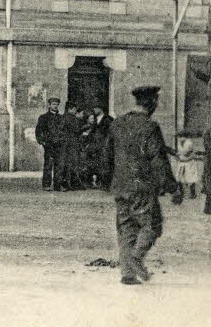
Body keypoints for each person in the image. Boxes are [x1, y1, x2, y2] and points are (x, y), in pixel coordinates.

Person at [107, 85, 182, 285]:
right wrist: (172, 186)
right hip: (142, 186)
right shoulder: (150, 127)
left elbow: (107, 155)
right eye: (156, 101)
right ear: (152, 103)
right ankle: (135, 258)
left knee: (126, 229)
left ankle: (127, 273)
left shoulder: (118, 124)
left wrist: (110, 181)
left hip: (120, 185)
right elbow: (158, 160)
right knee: (152, 225)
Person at [35, 98, 63, 191]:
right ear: (49, 105)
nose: (55, 106)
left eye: (57, 104)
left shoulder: (61, 118)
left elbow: (63, 131)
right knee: (48, 165)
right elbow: (38, 131)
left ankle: (58, 185)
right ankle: (46, 185)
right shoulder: (43, 117)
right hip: (49, 144)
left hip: (59, 144)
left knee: (59, 165)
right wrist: (42, 141)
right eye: (54, 104)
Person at [84, 105, 114, 189]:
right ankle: (99, 182)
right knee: (97, 164)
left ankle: (106, 184)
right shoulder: (96, 120)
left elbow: (110, 134)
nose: (94, 110)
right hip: (96, 146)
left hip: (105, 146)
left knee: (106, 164)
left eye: (95, 108)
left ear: (100, 109)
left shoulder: (109, 119)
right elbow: (92, 133)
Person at [173, 130, 201, 200]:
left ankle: (193, 193)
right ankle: (181, 193)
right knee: (179, 177)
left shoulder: (189, 143)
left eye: (181, 137)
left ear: (185, 136)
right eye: (179, 137)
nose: (180, 138)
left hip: (189, 163)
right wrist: (177, 155)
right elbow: (180, 152)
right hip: (182, 162)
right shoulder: (180, 143)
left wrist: (183, 158)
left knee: (190, 178)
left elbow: (189, 154)